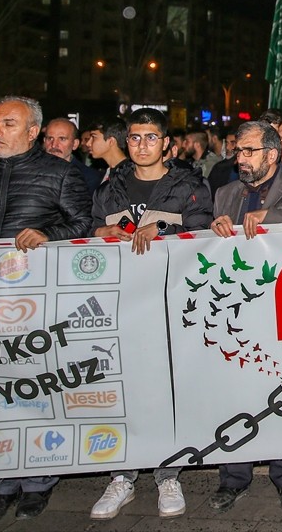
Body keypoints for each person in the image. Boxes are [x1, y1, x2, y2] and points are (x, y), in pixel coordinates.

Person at [0, 96, 93, 523]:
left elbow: (83, 226)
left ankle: (37, 482)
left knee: (37, 393)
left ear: (32, 133)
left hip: (38, 305)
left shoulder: (62, 174)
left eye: (8, 123)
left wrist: (49, 234)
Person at [88, 110, 213, 518]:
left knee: (165, 390)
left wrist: (163, 232)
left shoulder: (189, 183)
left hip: (169, 300)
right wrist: (99, 234)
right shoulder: (110, 185)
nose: (143, 145)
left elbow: (204, 234)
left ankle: (167, 473)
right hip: (121, 303)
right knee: (124, 389)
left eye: (151, 137)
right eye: (136, 138)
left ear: (167, 143)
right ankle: (122, 477)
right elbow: (91, 231)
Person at [206, 120, 282, 513]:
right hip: (234, 307)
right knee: (234, 392)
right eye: (238, 150)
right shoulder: (224, 193)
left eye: (249, 151)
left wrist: (269, 219)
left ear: (272, 155)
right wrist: (213, 227)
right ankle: (233, 477)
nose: (240, 158)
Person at [43, 117, 102, 191]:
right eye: (50, 138)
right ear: (44, 141)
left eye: (62, 139)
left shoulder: (89, 178)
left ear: (75, 144)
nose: (54, 145)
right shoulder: (31, 171)